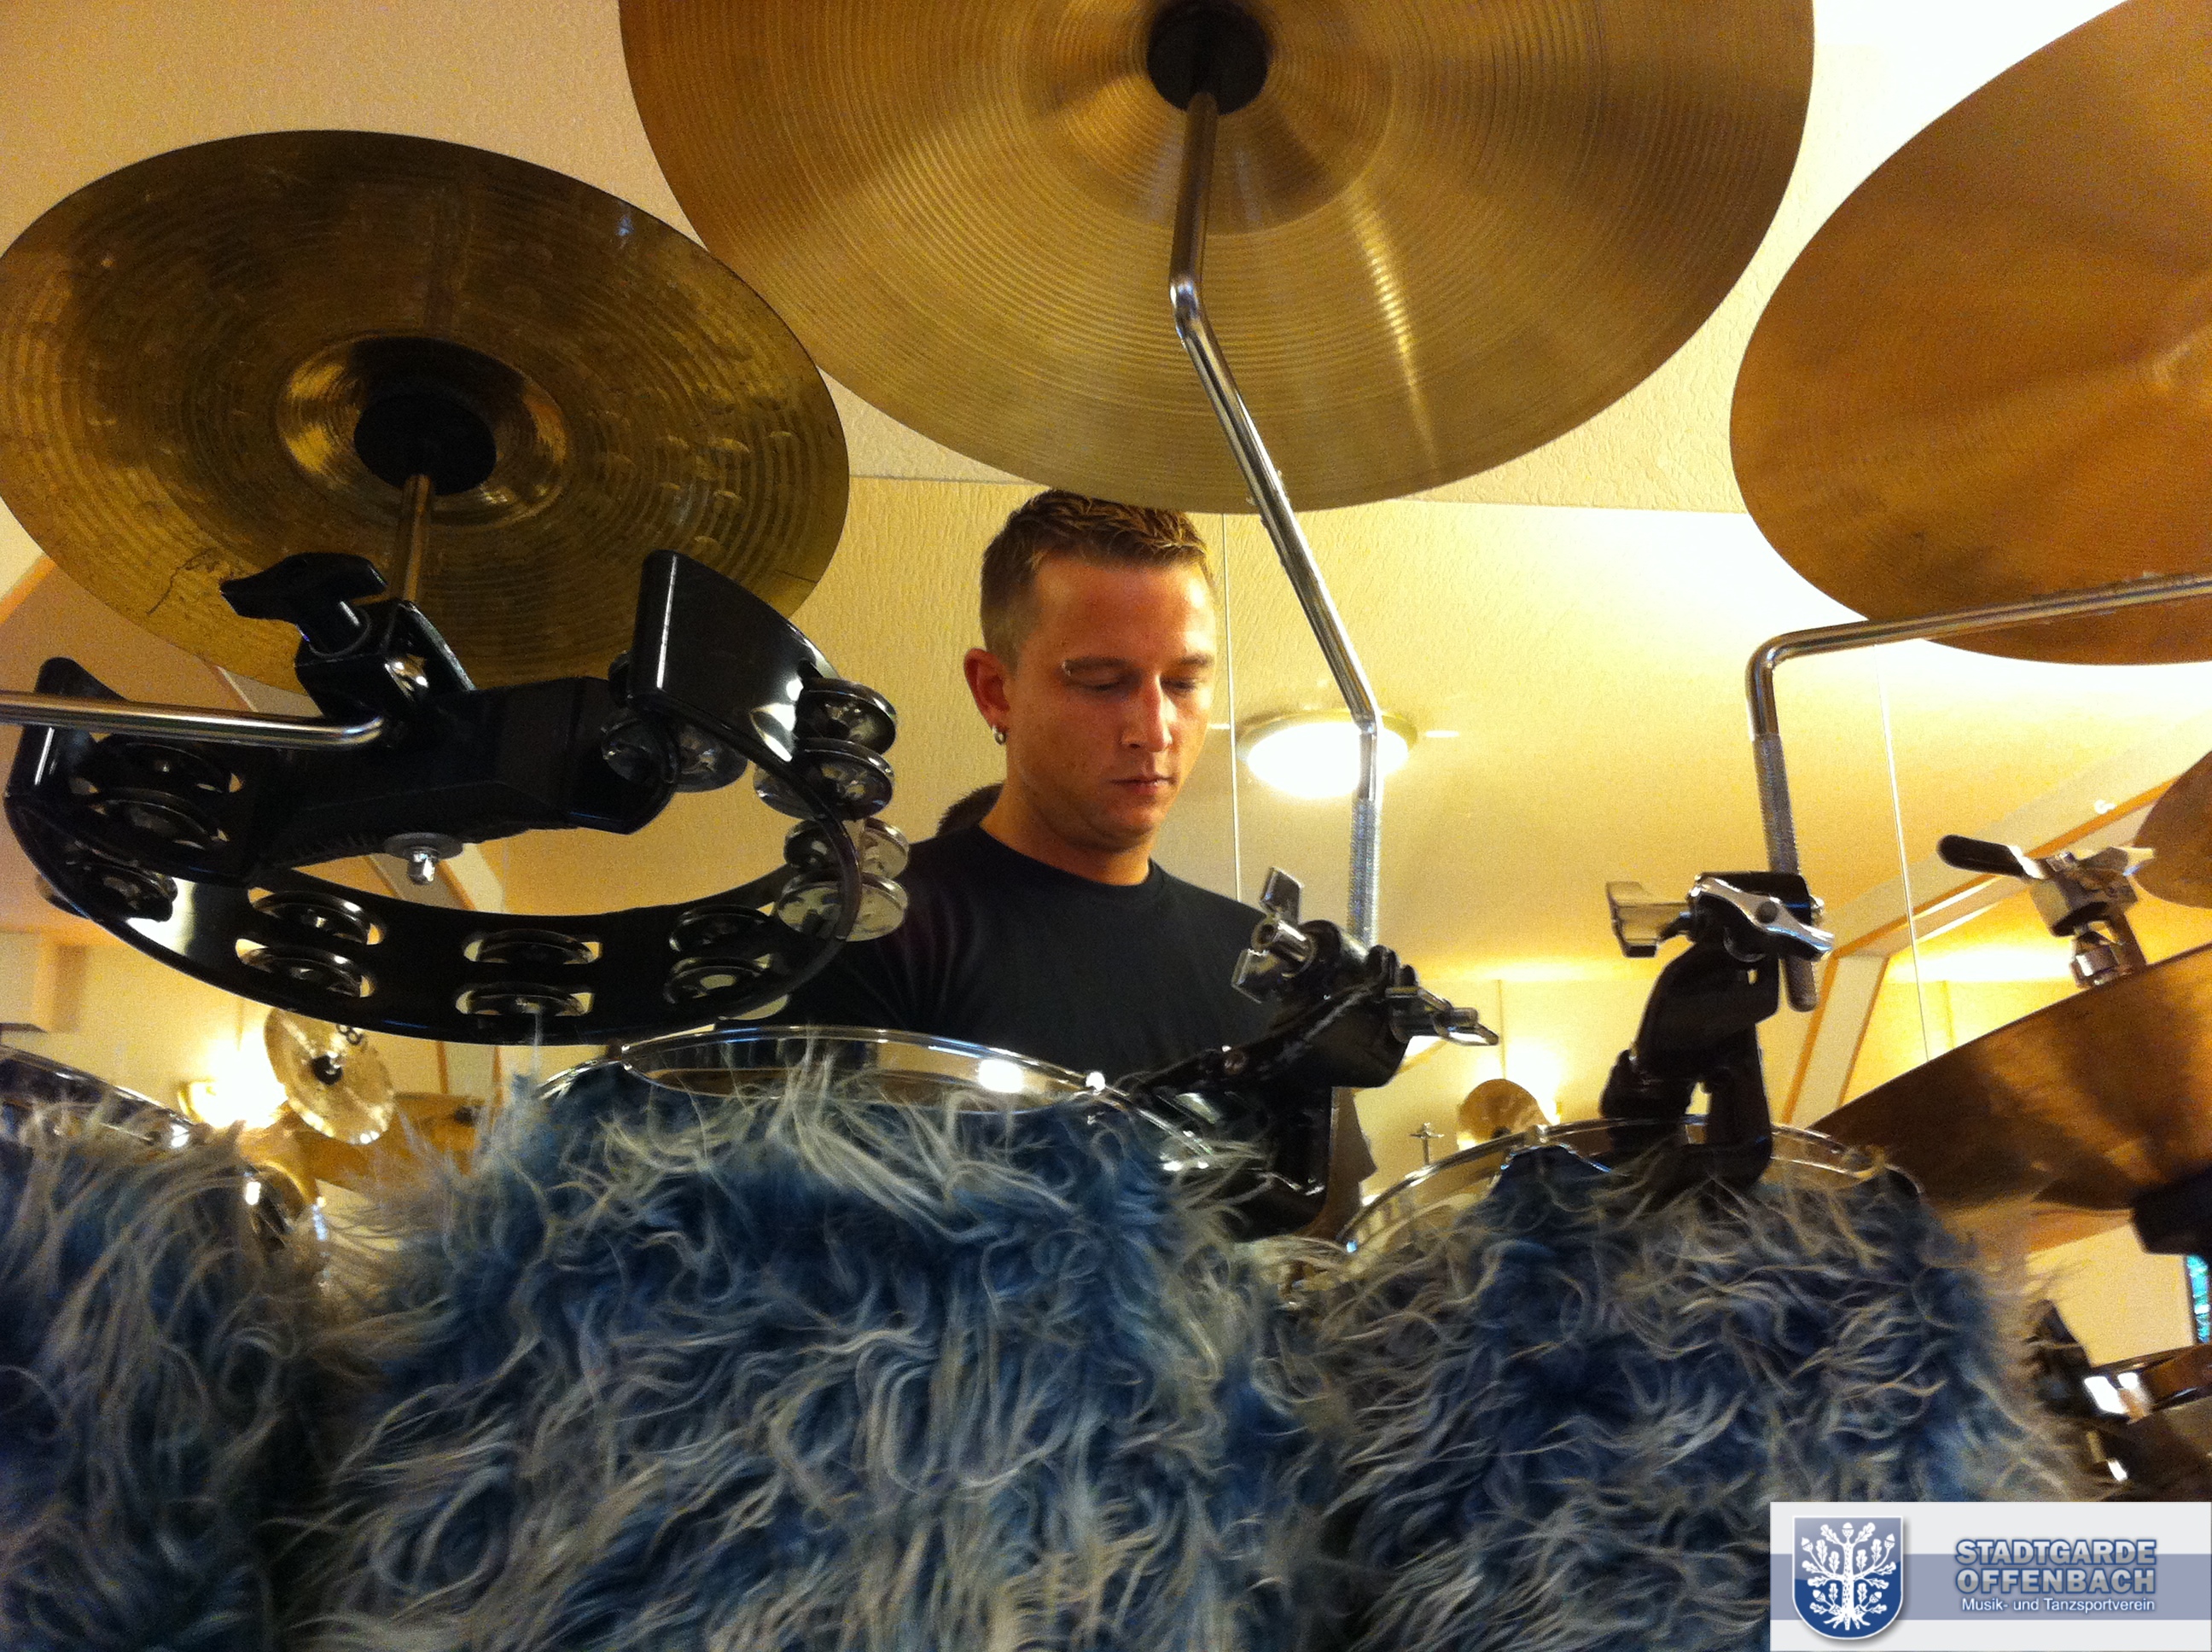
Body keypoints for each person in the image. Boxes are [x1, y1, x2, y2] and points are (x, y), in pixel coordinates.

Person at [782, 489, 1272, 1080]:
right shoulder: (869, 928)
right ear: (996, 691)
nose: (1154, 731)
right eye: (1101, 682)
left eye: (1184, 683)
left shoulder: (1262, 960)